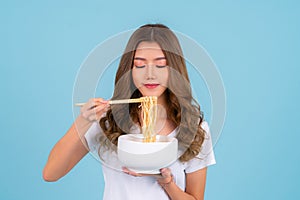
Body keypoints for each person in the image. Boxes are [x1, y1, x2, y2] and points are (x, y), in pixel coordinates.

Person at [43, 24, 216, 200]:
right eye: (140, 65)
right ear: (129, 70)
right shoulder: (108, 119)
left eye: (160, 65)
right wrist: (83, 120)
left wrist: (167, 183)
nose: (150, 74)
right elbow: (51, 173)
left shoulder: (193, 127)